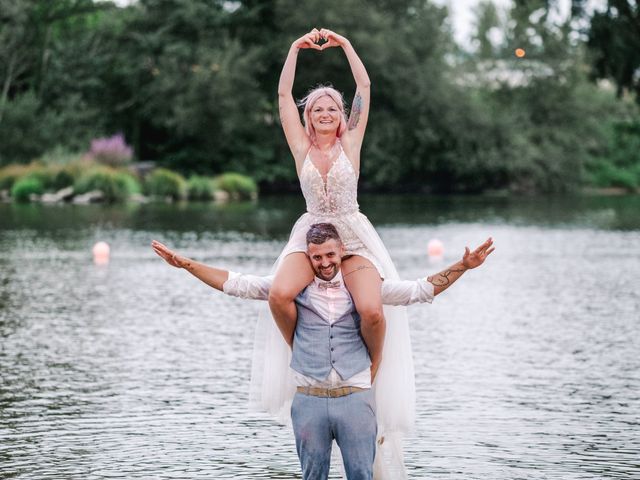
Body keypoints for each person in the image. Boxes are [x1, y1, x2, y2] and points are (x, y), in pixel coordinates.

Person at [151, 224, 494, 479]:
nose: (325, 262)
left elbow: (419, 291)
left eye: (330, 255)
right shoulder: (292, 290)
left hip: (355, 399)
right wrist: (187, 264)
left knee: (362, 476)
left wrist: (462, 266)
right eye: (316, 257)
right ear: (308, 258)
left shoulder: (366, 289)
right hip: (309, 401)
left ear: (341, 251)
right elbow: (236, 283)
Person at [261, 28, 414, 463]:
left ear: (341, 115)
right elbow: (283, 95)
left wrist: (346, 45)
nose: (325, 113)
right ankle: (306, 358)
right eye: (318, 109)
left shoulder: (350, 142)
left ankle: (370, 372)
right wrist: (293, 48)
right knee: (278, 293)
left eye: (332, 107)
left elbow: (364, 87)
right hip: (311, 234)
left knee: (370, 310)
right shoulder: (300, 147)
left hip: (353, 236)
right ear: (309, 117)